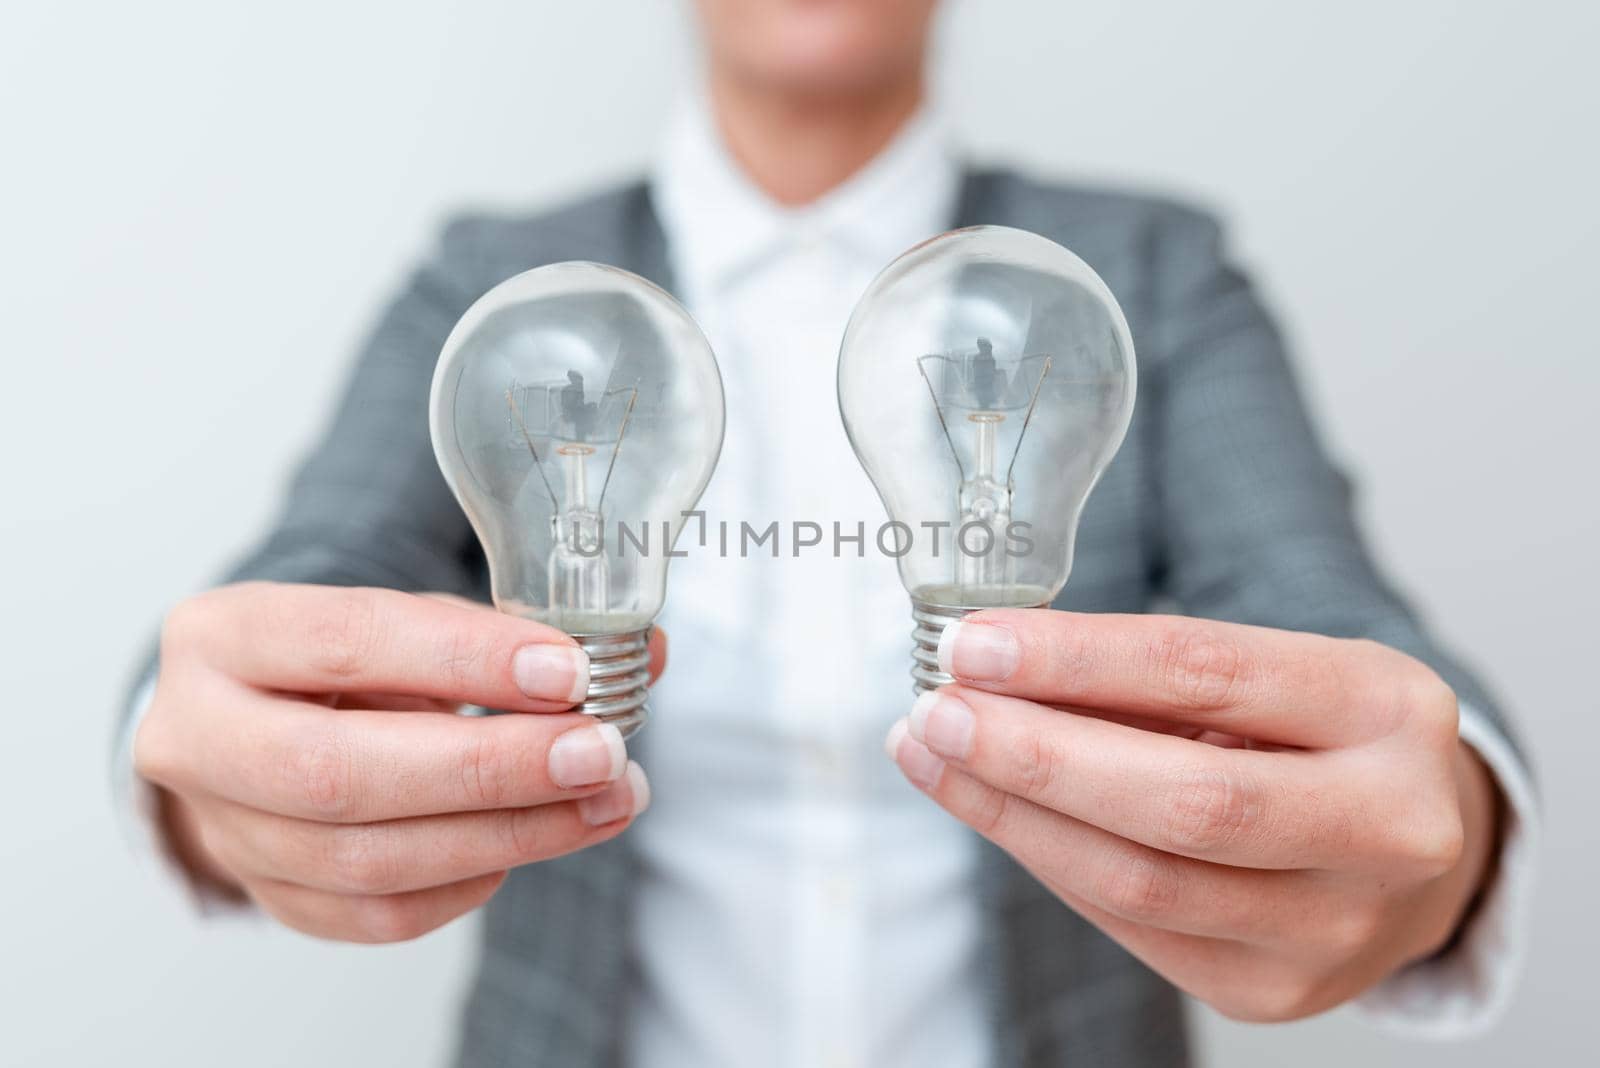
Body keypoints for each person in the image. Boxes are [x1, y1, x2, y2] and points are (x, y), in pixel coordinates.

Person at [118, 2, 1535, 1066]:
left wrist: (1445, 836)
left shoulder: (1151, 275)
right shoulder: (496, 286)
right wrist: (219, 774)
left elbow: (1331, 620)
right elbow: (299, 595)